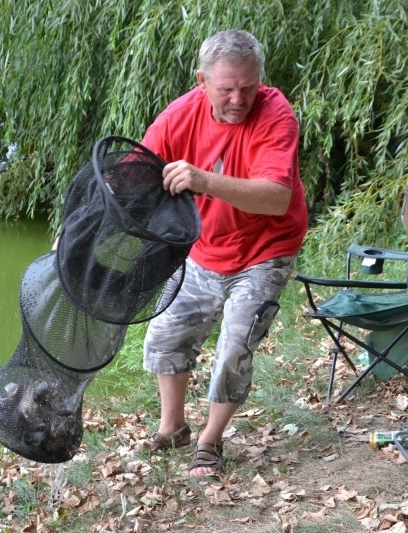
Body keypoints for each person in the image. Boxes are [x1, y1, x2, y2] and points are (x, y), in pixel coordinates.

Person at [139, 29, 308, 478]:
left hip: (265, 251)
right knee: (163, 337)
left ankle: (210, 443)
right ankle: (173, 428)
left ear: (260, 81)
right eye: (226, 89)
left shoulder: (276, 115)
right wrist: (78, 230)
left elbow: (275, 197)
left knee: (233, 348)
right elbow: (132, 176)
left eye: (248, 87)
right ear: (202, 80)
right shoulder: (180, 115)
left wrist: (204, 180)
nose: (238, 99)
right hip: (204, 248)